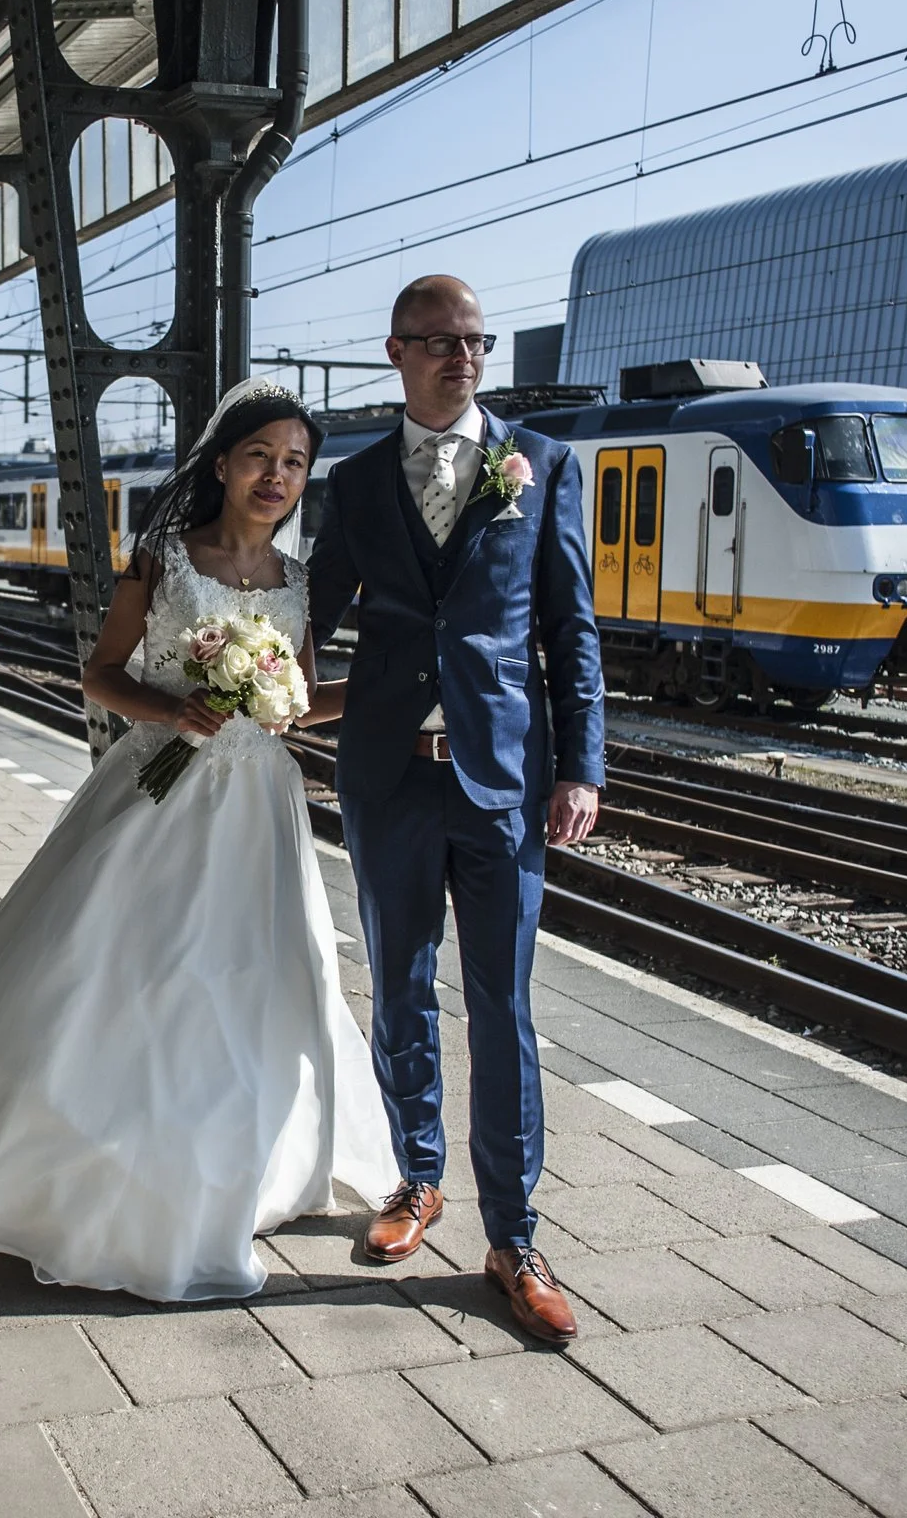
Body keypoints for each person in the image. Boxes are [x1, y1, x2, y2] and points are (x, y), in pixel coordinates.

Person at [0, 379, 392, 1301]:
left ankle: (231, 1166)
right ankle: (88, 1165)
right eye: (260, 457)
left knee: (258, 983)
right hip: (159, 790)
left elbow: (297, 701)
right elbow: (98, 674)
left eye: (294, 463)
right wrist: (177, 709)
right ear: (222, 463)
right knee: (127, 970)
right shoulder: (164, 559)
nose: (276, 476)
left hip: (258, 811)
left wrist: (385, 693)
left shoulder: (300, 583)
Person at [300, 274, 605, 1345]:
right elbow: (311, 609)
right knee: (395, 986)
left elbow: (571, 630)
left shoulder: (545, 466)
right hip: (387, 774)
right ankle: (414, 1180)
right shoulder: (358, 478)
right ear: (395, 351)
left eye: (474, 342)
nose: (462, 357)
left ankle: (514, 1234)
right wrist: (238, 658)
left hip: (503, 781)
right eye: (439, 341)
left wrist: (582, 766)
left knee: (501, 1006)